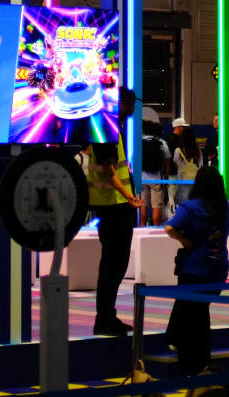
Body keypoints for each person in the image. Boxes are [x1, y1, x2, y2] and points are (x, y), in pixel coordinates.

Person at [164, 166, 229, 374]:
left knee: (191, 320)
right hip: (218, 269)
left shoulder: (190, 207)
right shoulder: (226, 208)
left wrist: (187, 242)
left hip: (195, 269)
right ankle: (200, 363)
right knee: (199, 316)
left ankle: (189, 366)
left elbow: (169, 228)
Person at [86, 88, 143, 336]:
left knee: (114, 264)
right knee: (113, 265)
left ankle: (108, 317)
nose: (132, 108)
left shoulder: (110, 126)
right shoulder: (107, 128)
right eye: (129, 103)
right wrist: (128, 194)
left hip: (114, 205)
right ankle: (105, 319)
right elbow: (109, 170)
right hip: (113, 205)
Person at [140, 119, 171, 226]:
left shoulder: (138, 143)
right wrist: (166, 178)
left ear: (143, 131)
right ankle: (156, 227)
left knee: (143, 205)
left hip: (142, 179)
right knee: (156, 206)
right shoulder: (161, 144)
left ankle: (142, 227)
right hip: (157, 179)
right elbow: (167, 162)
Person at [171, 118, 200, 208]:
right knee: (193, 201)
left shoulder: (178, 151)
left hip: (182, 178)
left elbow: (176, 163)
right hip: (195, 179)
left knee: (183, 203)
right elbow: (200, 164)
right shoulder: (198, 151)